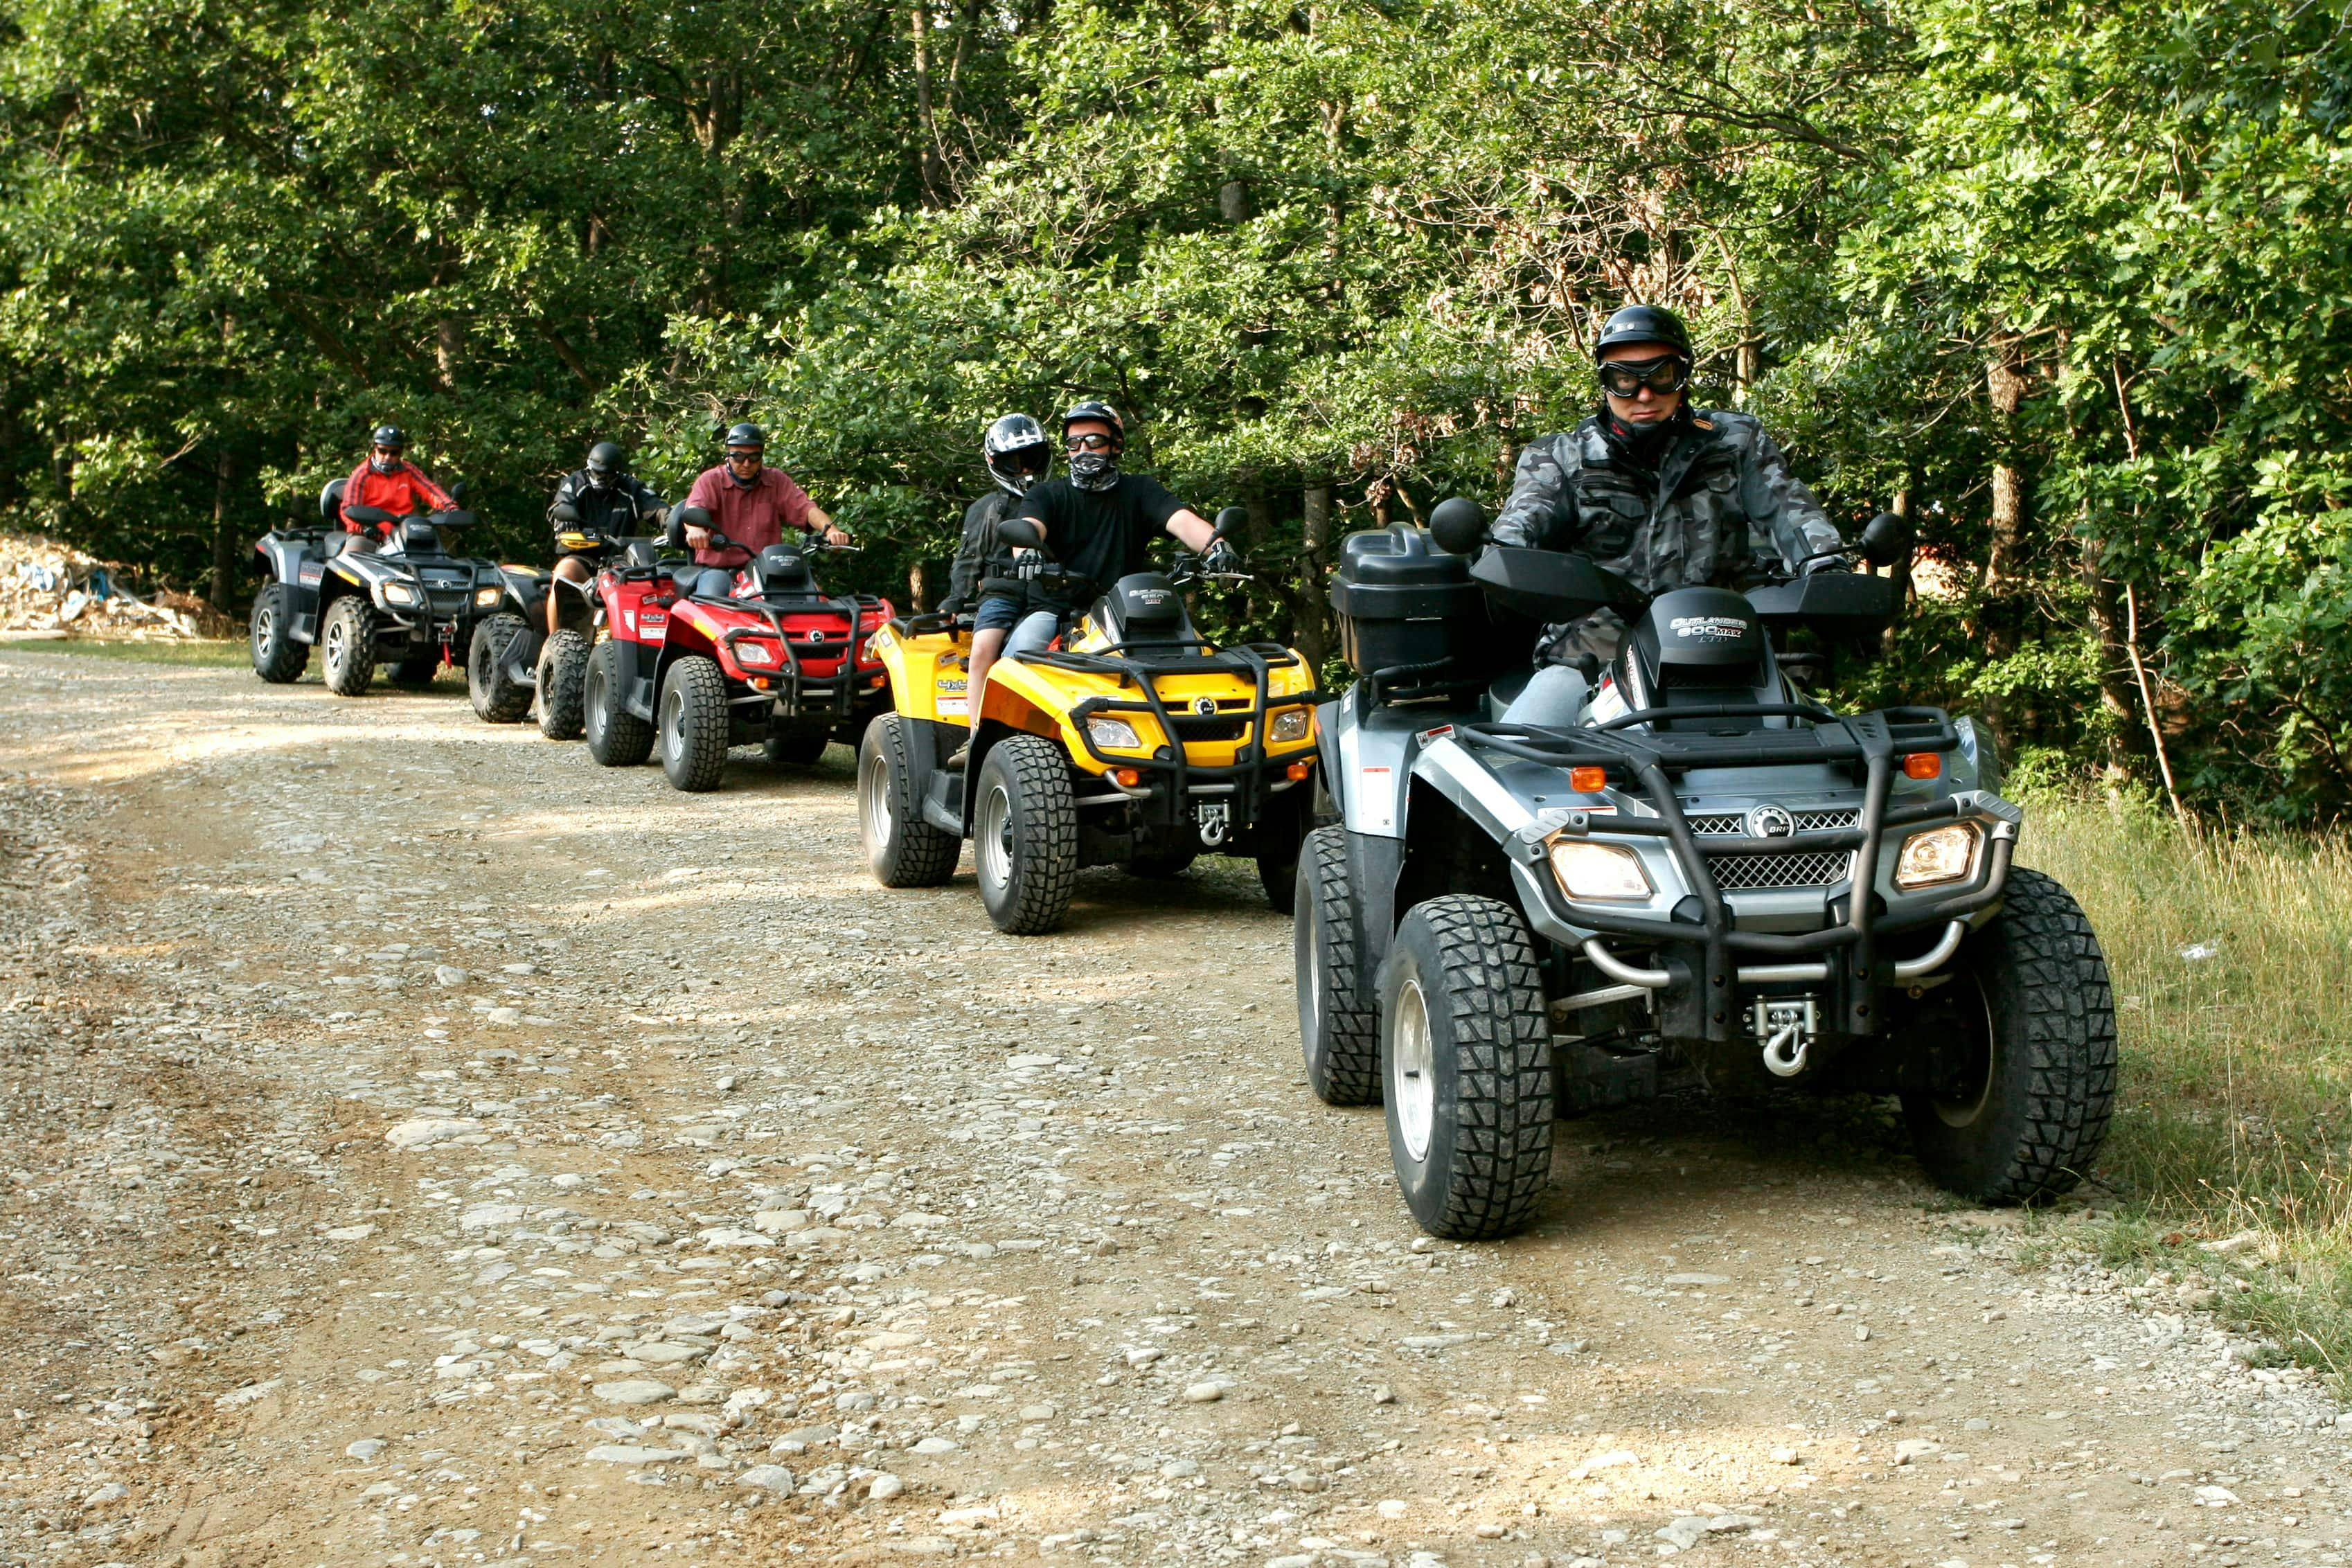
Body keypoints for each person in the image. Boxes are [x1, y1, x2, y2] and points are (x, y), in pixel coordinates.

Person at [1487, 303, 1847, 726]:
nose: (1643, 395)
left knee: (1827, 749)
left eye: (1660, 377)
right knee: (1518, 757)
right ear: (1604, 382)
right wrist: (1504, 553)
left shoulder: (1735, 442)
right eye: (1624, 379)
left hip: (1722, 649)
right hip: (1593, 656)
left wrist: (1825, 566)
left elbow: (1786, 507)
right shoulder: (1560, 457)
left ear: (1683, 376)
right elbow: (1524, 520)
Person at [950, 400, 1238, 760]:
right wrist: (1030, 553)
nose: (1083, 450)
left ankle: (1208, 746)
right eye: (1074, 443)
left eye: (1094, 441)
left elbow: (1183, 522)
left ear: (1115, 445)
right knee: (1015, 664)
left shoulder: (1141, 491)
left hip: (1129, 614)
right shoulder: (1047, 495)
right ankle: (991, 748)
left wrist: (1217, 547)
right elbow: (1029, 530)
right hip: (1055, 609)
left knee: (1200, 658)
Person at [943, 413, 1053, 738]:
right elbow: (968, 558)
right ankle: (976, 734)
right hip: (1002, 594)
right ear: (996, 463)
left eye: (1031, 460)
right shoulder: (987, 508)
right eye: (1014, 463)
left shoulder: (1059, 498)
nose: (1025, 471)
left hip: (1053, 592)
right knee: (982, 650)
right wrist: (955, 600)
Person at [676, 423, 849, 597]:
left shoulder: (775, 481)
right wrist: (696, 530)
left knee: (817, 600)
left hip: (770, 570)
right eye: (738, 457)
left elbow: (805, 508)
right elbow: (694, 509)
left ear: (762, 456)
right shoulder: (711, 481)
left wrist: (832, 531)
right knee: (710, 608)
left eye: (754, 457)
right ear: (728, 455)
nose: (746, 464)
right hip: (720, 570)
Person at [545, 441, 664, 633]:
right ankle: (553, 643)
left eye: (607, 475)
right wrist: (566, 519)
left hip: (622, 562)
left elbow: (658, 509)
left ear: (616, 473)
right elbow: (559, 506)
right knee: (563, 573)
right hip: (583, 557)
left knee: (659, 585)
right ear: (589, 466)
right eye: (597, 473)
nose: (601, 479)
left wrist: (676, 524)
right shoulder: (575, 483)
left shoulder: (630, 488)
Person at [337, 426, 455, 551]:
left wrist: (450, 507)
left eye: (394, 453)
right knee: (353, 555)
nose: (388, 457)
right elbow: (348, 509)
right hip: (370, 534)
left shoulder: (408, 471)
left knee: (437, 556)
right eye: (383, 451)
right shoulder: (362, 475)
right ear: (375, 449)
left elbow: (430, 490)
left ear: (400, 453)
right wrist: (364, 529)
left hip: (405, 531)